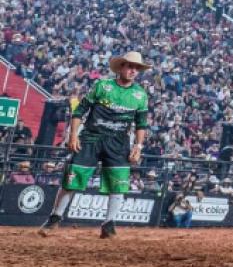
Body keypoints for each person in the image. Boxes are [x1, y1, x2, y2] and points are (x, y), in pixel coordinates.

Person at [39, 51, 152, 238]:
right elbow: (79, 111)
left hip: (118, 143)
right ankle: (55, 218)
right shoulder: (102, 86)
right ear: (121, 67)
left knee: (119, 184)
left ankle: (109, 225)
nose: (133, 71)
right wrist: (73, 136)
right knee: (72, 179)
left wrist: (138, 147)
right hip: (90, 138)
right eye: (130, 66)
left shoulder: (140, 95)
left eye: (137, 68)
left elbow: (141, 124)